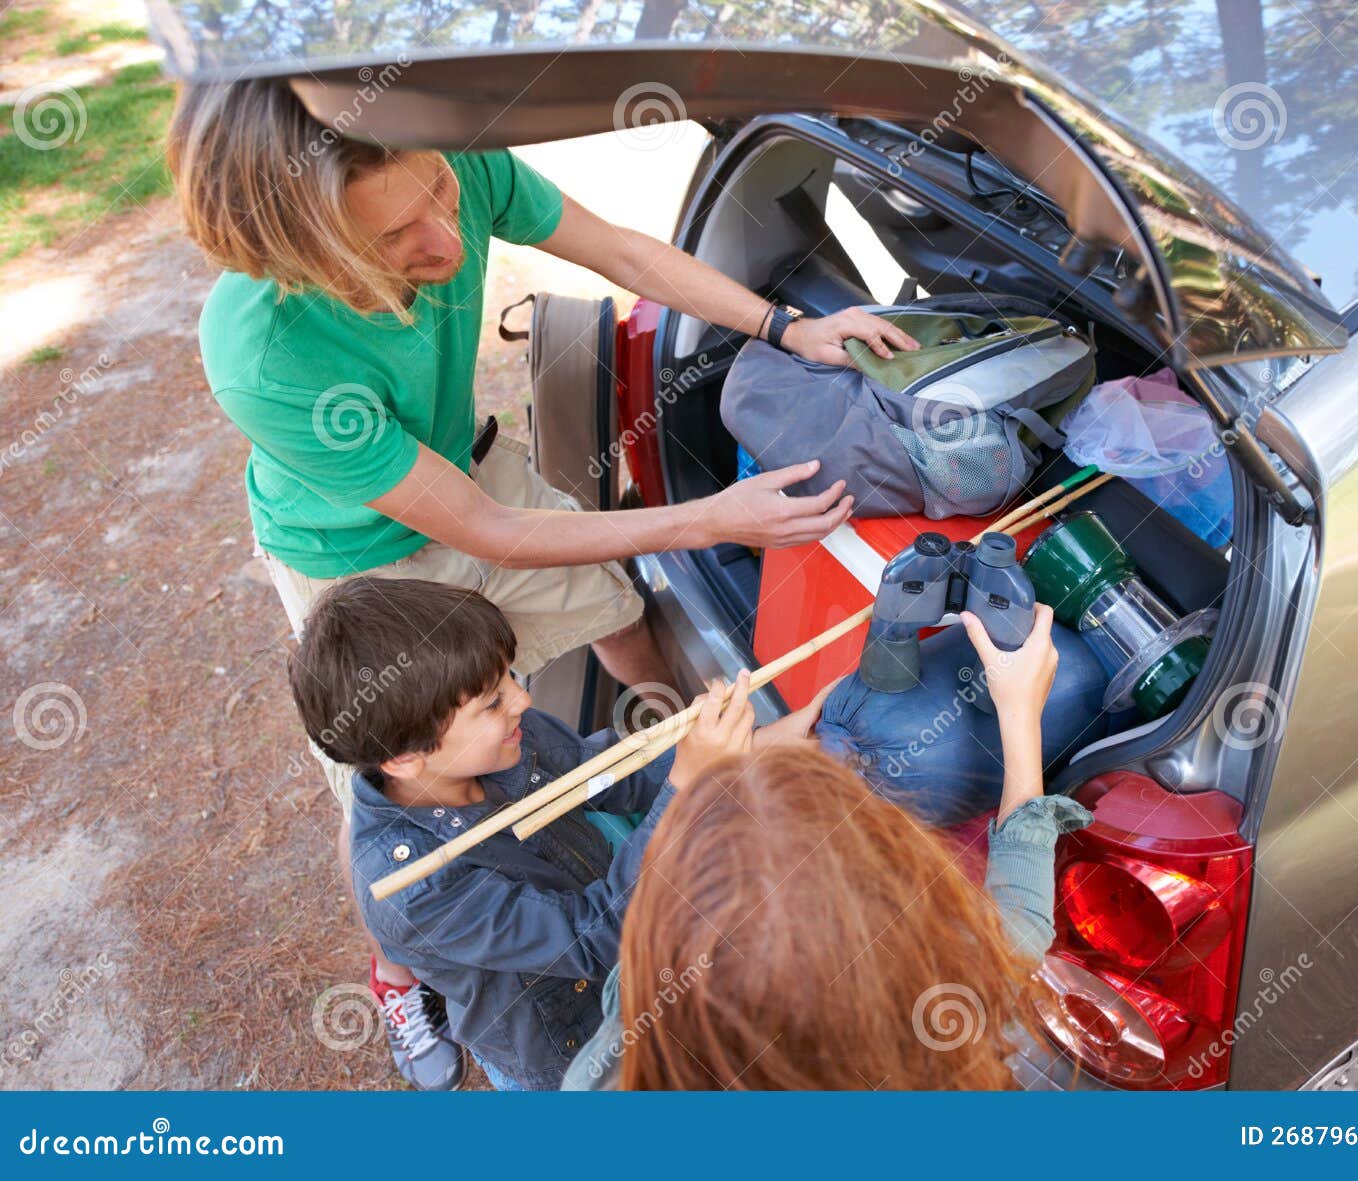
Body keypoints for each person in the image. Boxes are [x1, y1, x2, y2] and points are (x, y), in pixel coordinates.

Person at [166, 78, 918, 1086]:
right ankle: (403, 970)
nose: (446, 240)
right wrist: (712, 518)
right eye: (395, 240)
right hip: (356, 554)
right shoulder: (260, 351)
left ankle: (662, 766)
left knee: (616, 615)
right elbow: (482, 535)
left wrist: (785, 328)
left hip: (464, 467)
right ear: (301, 254)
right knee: (395, 792)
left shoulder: (442, 154)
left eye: (439, 191)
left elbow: (621, 254)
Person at [286, 577, 826, 1090]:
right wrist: (688, 785)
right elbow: (592, 937)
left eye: (509, 680)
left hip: (642, 961)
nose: (521, 701)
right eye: (492, 703)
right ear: (404, 759)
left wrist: (755, 750)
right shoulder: (416, 890)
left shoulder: (504, 740)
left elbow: (617, 773)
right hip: (569, 1051)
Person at [564, 603, 1094, 1090]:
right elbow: (1012, 935)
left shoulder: (610, 1069)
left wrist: (743, 760)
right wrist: (1020, 716)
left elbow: (1004, 946)